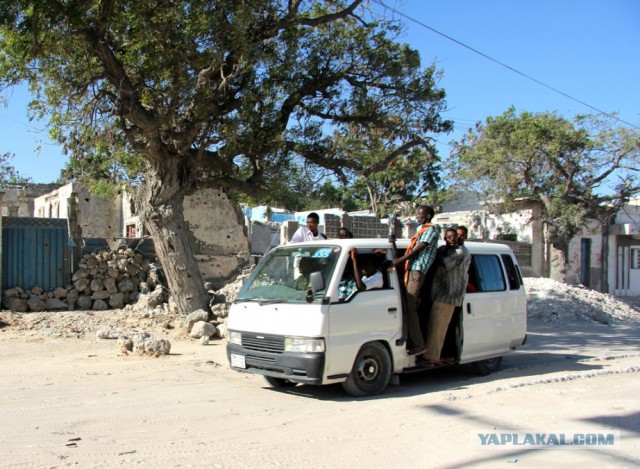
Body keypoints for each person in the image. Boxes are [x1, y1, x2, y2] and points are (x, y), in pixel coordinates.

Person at [419, 228, 472, 365]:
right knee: (436, 326)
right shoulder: (444, 249)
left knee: (437, 328)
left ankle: (431, 357)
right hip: (438, 293)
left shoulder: (459, 252)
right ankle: (437, 355)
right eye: (451, 237)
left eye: (457, 236)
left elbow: (444, 262)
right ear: (445, 238)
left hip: (449, 294)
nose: (455, 239)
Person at [391, 206, 438, 355]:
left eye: (420, 213)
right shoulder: (421, 230)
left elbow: (419, 248)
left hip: (417, 271)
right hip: (412, 270)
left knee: (409, 307)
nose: (418, 216)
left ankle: (418, 344)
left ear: (429, 215)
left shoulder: (430, 231)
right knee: (409, 304)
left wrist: (400, 260)